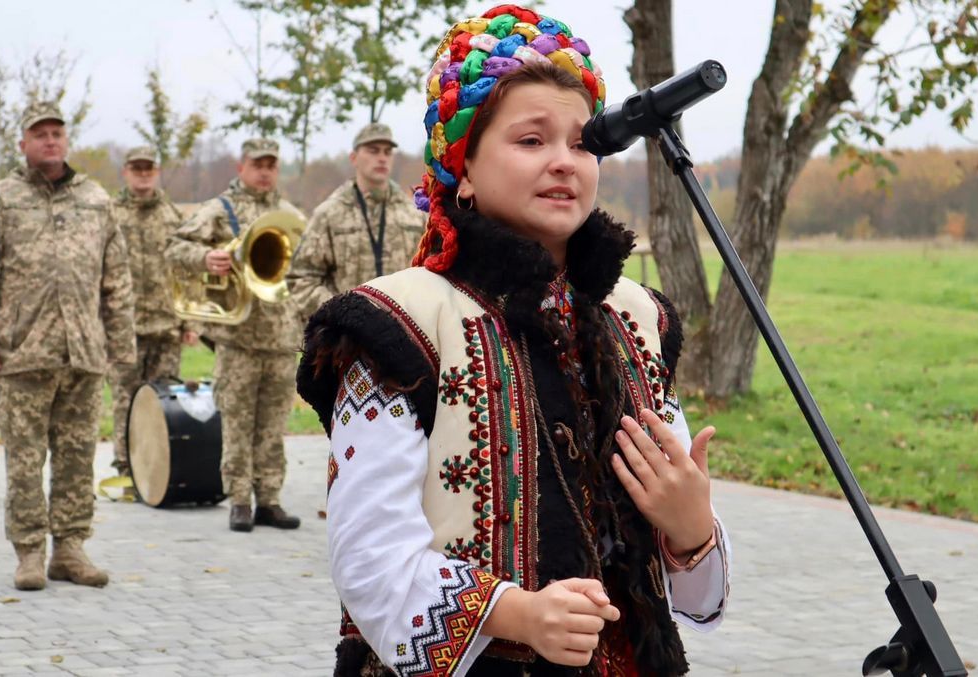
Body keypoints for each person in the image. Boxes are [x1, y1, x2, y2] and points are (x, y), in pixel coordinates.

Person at [296, 6, 730, 675]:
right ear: (463, 167)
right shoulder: (396, 325)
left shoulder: (637, 319)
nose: (563, 162)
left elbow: (698, 603)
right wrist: (516, 614)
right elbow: (368, 559)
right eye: (530, 141)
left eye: (581, 143)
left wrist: (692, 528)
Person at [0, 101, 135, 591]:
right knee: (25, 461)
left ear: (66, 140)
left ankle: (70, 550)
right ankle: (30, 552)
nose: (50, 141)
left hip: (84, 353)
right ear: (23, 144)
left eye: (57, 133)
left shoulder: (95, 199)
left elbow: (116, 277)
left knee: (77, 458)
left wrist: (120, 343)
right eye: (40, 134)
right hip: (22, 353)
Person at [166, 138, 305, 532]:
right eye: (257, 164)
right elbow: (173, 246)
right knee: (238, 422)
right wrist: (204, 257)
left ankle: (270, 500)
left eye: (271, 165)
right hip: (238, 339)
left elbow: (304, 268)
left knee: (273, 426)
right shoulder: (219, 209)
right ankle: (240, 500)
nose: (265, 172)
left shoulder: (291, 215)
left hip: (281, 337)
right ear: (241, 168)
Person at [109, 146, 198, 478]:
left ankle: (157, 471)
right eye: (137, 168)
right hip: (123, 329)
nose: (143, 174)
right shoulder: (110, 215)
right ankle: (125, 469)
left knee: (162, 404)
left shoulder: (173, 217)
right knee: (125, 401)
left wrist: (190, 322)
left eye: (148, 168)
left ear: (157, 172)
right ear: (126, 172)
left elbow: (187, 273)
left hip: (166, 328)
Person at [286, 122, 426, 325]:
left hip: (403, 332)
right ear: (353, 158)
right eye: (373, 150)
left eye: (387, 152)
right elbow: (300, 279)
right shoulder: (329, 213)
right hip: (347, 335)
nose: (381, 158)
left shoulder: (414, 214)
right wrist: (339, 312)